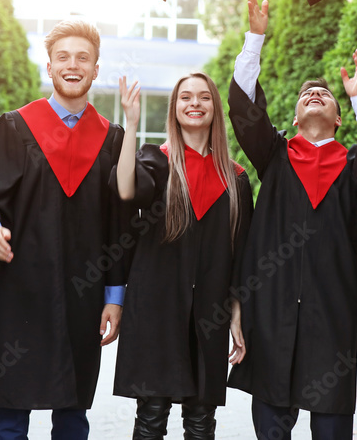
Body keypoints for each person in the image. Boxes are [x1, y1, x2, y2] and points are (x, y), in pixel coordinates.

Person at [226, 0, 357, 439]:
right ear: (296, 117)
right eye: (307, 95)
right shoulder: (276, 157)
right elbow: (244, 110)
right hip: (273, 311)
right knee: (271, 426)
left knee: (331, 427)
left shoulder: (351, 169)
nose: (316, 94)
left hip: (330, 311)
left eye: (326, 95)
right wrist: (255, 38)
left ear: (340, 119)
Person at [0, 19, 127, 440]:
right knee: (13, 412)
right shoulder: (14, 128)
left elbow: (119, 224)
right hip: (20, 287)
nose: (73, 65)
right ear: (50, 67)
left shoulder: (111, 139)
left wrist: (114, 296)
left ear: (95, 69)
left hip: (84, 293)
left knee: (73, 412)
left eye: (83, 58)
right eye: (64, 57)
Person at [112, 72, 253, 440]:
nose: (195, 104)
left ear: (215, 108)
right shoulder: (156, 163)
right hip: (156, 306)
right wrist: (131, 123)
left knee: (201, 419)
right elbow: (125, 190)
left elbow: (242, 253)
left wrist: (237, 313)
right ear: (174, 109)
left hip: (209, 310)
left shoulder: (235, 179)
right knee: (151, 416)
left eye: (204, 97)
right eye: (185, 97)